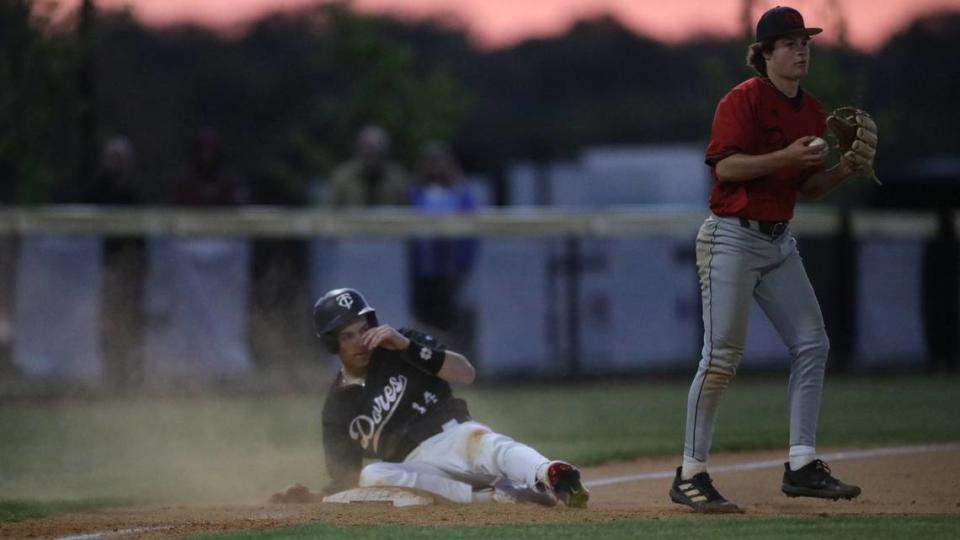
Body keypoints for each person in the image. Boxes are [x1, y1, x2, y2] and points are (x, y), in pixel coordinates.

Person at [670, 6, 868, 513]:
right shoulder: (742, 100)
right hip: (731, 237)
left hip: (779, 241)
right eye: (789, 42)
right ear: (763, 54)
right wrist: (784, 159)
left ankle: (802, 465)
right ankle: (690, 474)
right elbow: (726, 168)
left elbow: (808, 186)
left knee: (812, 344)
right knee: (720, 359)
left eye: (806, 41)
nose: (802, 49)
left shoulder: (811, 110)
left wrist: (846, 167)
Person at [308, 287, 589, 507]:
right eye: (347, 335)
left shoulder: (400, 344)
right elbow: (345, 479)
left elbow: (465, 373)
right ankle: (498, 498)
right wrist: (309, 496)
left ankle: (549, 472)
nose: (360, 341)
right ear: (332, 343)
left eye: (363, 329)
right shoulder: (337, 408)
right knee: (373, 475)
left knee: (492, 447)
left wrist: (406, 346)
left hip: (456, 436)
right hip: (418, 471)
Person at [408, 142, 477, 337]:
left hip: (451, 266)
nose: (436, 167)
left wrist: (463, 262)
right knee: (422, 317)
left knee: (449, 316)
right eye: (431, 163)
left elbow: (472, 227)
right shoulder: (415, 192)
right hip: (423, 266)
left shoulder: (461, 191)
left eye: (440, 162)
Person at [327, 125, 409, 207]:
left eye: (374, 150)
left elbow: (407, 213)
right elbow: (329, 211)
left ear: (385, 151)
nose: (369, 153)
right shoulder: (342, 178)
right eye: (366, 148)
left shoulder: (398, 180)